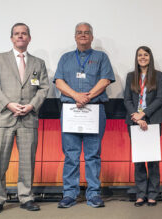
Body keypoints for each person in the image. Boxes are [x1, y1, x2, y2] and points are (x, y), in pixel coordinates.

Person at [0, 23, 49, 215]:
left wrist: (31, 105)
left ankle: (26, 197)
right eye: (16, 34)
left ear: (29, 38)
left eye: (24, 34)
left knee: (27, 161)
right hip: (3, 117)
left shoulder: (38, 63)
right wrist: (9, 104)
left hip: (28, 118)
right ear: (12, 38)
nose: (20, 36)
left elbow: (44, 88)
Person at [54, 22, 115, 208]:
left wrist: (86, 97)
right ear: (74, 36)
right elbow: (58, 81)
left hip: (93, 110)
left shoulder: (101, 57)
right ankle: (69, 194)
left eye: (86, 33)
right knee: (71, 154)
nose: (83, 35)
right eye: (79, 33)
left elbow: (105, 80)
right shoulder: (65, 58)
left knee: (93, 155)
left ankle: (94, 194)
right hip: (71, 110)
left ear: (91, 37)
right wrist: (76, 96)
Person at [124, 46, 162, 207]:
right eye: (139, 55)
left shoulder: (158, 75)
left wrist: (144, 114)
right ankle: (141, 194)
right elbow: (127, 99)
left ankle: (153, 194)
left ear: (150, 57)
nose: (142, 57)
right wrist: (136, 116)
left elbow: (160, 99)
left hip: (153, 120)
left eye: (145, 55)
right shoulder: (130, 76)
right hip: (134, 121)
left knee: (153, 160)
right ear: (136, 58)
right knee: (139, 160)